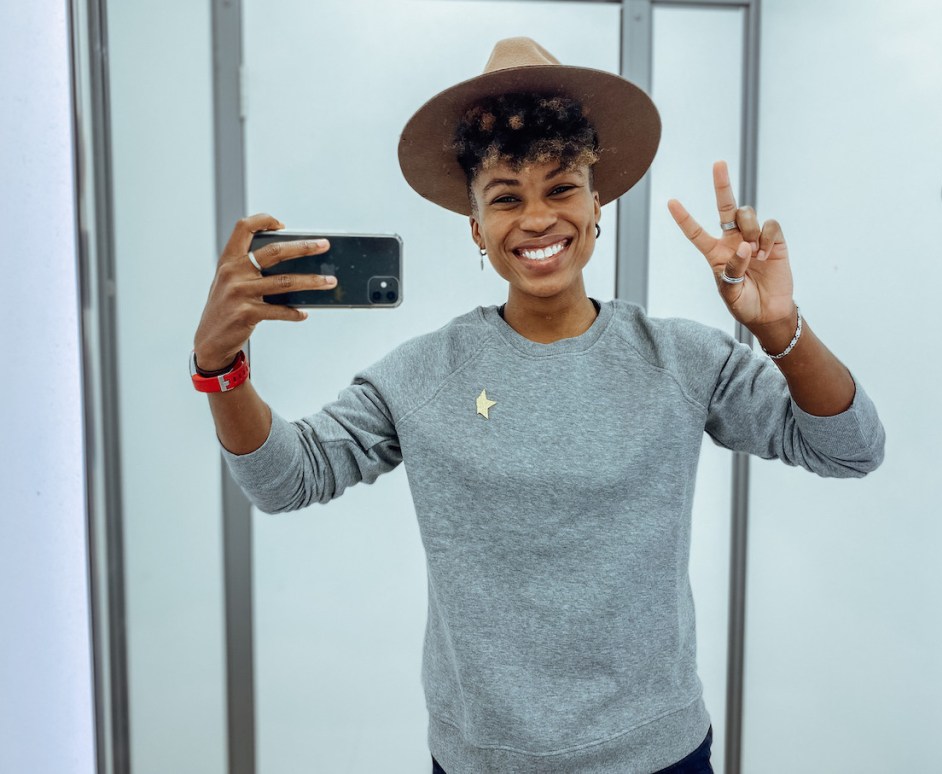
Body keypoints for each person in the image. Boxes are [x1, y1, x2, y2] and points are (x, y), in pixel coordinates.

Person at [191, 37, 884, 774]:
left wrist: (782, 331)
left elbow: (851, 447)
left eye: (560, 189)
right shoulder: (424, 373)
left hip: (659, 754)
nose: (536, 219)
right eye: (505, 197)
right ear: (475, 227)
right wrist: (219, 366)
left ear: (597, 206)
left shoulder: (681, 358)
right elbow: (284, 480)